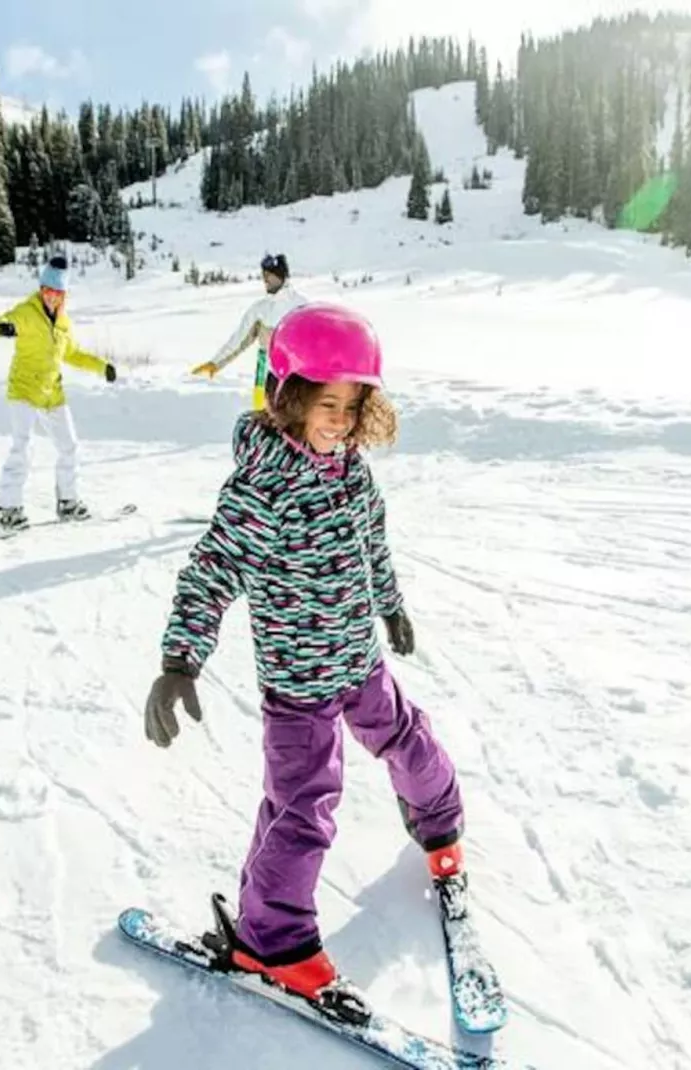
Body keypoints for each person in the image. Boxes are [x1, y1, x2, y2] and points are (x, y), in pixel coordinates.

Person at [144, 302, 462, 1015]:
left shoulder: (351, 471)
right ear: (287, 395)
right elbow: (212, 568)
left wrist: (391, 602)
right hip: (298, 684)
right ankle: (272, 938)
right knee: (303, 804)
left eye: (353, 406)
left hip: (360, 656)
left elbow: (372, 543)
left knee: (406, 734)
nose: (341, 422)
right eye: (327, 404)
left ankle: (439, 821)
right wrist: (180, 660)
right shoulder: (265, 486)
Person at [0, 254, 118, 531]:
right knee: (23, 446)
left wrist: (101, 366)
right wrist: (3, 328)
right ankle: (9, 509)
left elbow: (71, 353)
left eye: (58, 293)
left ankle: (68, 503)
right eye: (48, 292)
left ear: (64, 295)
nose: (52, 298)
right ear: (41, 290)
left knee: (69, 446)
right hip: (23, 389)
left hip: (52, 393)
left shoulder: (63, 322)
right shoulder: (26, 312)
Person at [190, 253, 307, 411]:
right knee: (261, 414)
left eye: (269, 275)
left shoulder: (300, 306)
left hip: (293, 374)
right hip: (263, 372)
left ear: (281, 276)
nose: (265, 280)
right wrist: (215, 363)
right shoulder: (260, 309)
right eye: (263, 275)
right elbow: (239, 339)